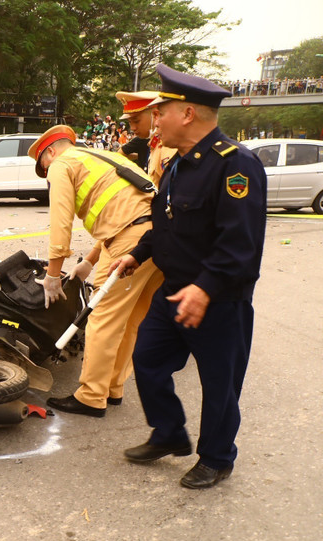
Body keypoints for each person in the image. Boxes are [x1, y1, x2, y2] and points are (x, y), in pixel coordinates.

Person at [112, 64, 267, 489]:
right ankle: (169, 433)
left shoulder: (235, 167)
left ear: (188, 114)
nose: (154, 117)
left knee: (220, 384)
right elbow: (167, 222)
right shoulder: (181, 163)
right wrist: (138, 255)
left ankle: (217, 458)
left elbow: (241, 245)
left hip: (219, 299)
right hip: (175, 290)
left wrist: (205, 288)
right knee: (147, 361)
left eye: (162, 110)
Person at [27, 124, 164, 417]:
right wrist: (89, 260)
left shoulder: (61, 165)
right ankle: (112, 387)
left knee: (101, 315)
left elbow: (61, 224)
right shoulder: (100, 156)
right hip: (160, 238)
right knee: (129, 319)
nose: (46, 173)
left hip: (130, 243)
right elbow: (124, 211)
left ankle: (91, 396)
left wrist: (53, 275)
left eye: (43, 166)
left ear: (50, 152)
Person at [116, 90, 176, 186]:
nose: (132, 128)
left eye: (136, 121)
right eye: (130, 122)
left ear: (155, 115)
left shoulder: (168, 146)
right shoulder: (154, 143)